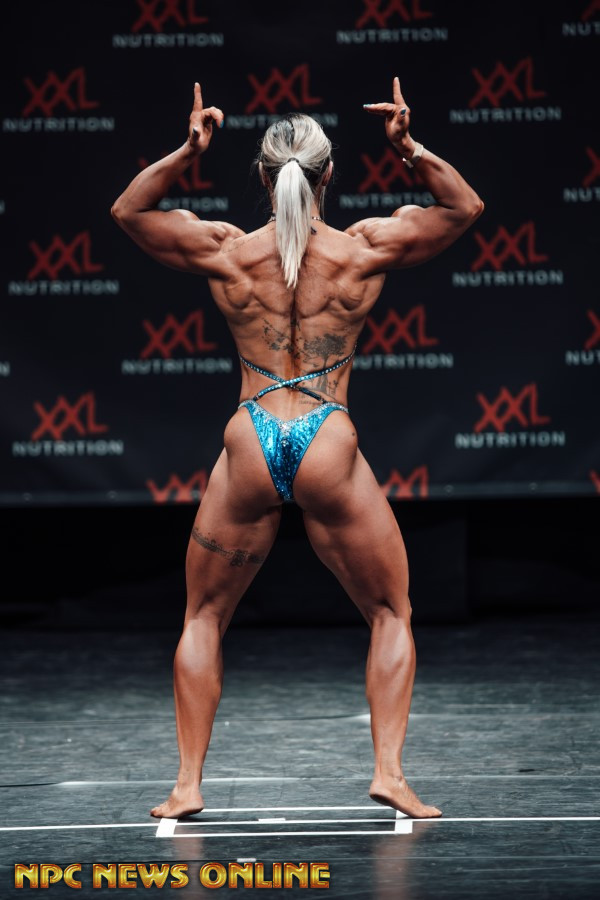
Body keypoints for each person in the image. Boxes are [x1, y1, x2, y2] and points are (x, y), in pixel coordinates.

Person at [111, 77, 483, 820]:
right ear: (329, 174)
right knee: (391, 611)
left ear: (260, 174)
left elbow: (129, 212)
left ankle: (187, 785)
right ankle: (389, 774)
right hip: (326, 436)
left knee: (203, 617)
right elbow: (464, 208)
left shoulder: (227, 252)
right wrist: (409, 148)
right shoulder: (362, 249)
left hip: (251, 433)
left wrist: (187, 153)